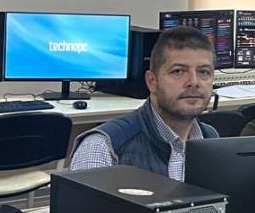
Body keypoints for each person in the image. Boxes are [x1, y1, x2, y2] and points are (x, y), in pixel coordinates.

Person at [69, 26, 218, 178]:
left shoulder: (211, 140)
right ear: (152, 82)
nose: (194, 82)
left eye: (203, 72)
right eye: (178, 71)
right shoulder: (102, 148)